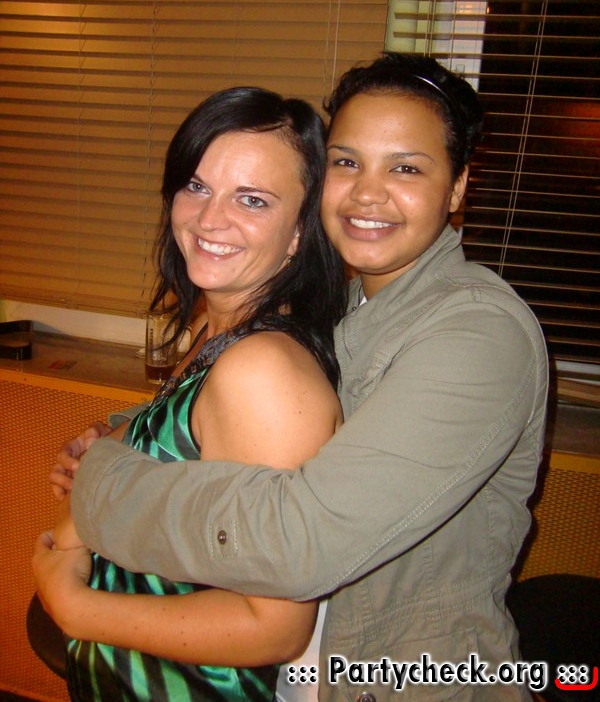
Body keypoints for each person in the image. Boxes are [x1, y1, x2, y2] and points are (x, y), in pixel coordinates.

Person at [37, 54, 549, 701]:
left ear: (457, 188)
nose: (367, 192)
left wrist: (104, 484)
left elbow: (300, 542)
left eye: (406, 168)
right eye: (347, 162)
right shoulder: (348, 309)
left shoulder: (477, 333)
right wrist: (129, 431)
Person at [33, 86, 347, 701]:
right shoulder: (217, 329)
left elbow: (272, 627)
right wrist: (116, 445)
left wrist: (75, 608)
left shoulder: (264, 372)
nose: (208, 219)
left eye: (252, 199)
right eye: (197, 186)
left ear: (299, 232)